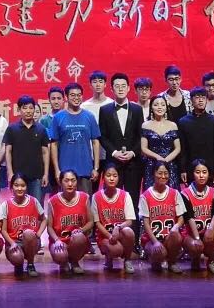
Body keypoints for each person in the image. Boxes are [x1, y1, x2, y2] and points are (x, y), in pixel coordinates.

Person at [98, 72, 144, 247]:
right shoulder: (105, 110)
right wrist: (114, 152)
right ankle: (112, 240)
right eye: (117, 86)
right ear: (111, 89)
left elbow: (141, 135)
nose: (120, 89)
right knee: (112, 203)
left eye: (123, 86)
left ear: (129, 88)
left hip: (133, 163)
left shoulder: (137, 109)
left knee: (133, 201)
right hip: (113, 164)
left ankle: (135, 242)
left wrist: (133, 152)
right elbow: (103, 136)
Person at [47, 83, 101, 194]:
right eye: (72, 95)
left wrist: (96, 168)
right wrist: (57, 170)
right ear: (66, 97)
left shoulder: (89, 116)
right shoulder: (58, 117)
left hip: (85, 170)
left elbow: (95, 142)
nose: (76, 98)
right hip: (65, 171)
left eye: (79, 95)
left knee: (85, 202)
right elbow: (54, 144)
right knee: (65, 203)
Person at [138, 162, 189, 273]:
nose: (163, 176)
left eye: (166, 173)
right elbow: (146, 223)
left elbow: (181, 218)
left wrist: (176, 227)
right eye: (160, 173)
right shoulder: (145, 196)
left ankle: (172, 262)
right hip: (152, 240)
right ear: (153, 174)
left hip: (169, 237)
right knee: (159, 253)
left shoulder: (175, 193)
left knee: (176, 235)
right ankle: (155, 260)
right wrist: (155, 242)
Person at [91, 162, 137, 274]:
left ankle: (127, 260)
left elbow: (129, 221)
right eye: (108, 175)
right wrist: (110, 236)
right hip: (104, 236)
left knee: (129, 232)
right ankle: (109, 258)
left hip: (120, 233)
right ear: (103, 178)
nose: (111, 178)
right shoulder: (96, 197)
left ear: (118, 178)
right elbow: (97, 223)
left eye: (115, 176)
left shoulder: (125, 195)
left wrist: (118, 227)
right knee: (116, 250)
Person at [1, 95, 48, 202]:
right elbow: (8, 151)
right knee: (19, 205)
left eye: (31, 108)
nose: (28, 111)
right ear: (19, 110)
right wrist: (10, 173)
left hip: (37, 176)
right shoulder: (12, 128)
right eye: (25, 108)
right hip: (18, 177)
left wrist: (45, 174)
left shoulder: (41, 129)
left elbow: (45, 152)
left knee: (36, 205)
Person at [46, 170, 92, 275]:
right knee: (60, 255)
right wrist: (57, 240)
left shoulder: (84, 197)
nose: (70, 184)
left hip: (77, 241)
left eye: (73, 180)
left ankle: (75, 262)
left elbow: (90, 222)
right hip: (60, 240)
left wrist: (81, 230)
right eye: (66, 181)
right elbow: (49, 227)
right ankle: (64, 262)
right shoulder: (53, 201)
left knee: (79, 237)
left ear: (77, 182)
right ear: (60, 182)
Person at [179, 160, 214, 273]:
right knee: (195, 246)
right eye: (198, 172)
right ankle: (195, 257)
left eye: (204, 172)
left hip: (208, 231)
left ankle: (211, 260)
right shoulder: (185, 193)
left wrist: (210, 229)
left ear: (209, 174)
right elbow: (189, 217)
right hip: (191, 234)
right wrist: (197, 238)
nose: (201, 175)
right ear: (192, 174)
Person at [177, 88, 214, 186]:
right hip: (190, 169)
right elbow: (182, 149)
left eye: (203, 97)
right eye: (197, 97)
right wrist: (183, 170)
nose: (201, 100)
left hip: (211, 169)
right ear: (191, 100)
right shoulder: (183, 122)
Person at [2, 174, 45, 277]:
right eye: (16, 185)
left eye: (23, 185)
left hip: (31, 241)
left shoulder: (34, 201)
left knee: (28, 233)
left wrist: (38, 234)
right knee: (17, 258)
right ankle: (18, 264)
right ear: (11, 187)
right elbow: (3, 230)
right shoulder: (6, 205)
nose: (20, 188)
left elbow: (44, 220)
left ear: (27, 187)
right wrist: (12, 243)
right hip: (14, 242)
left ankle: (30, 264)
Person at [141, 96, 180, 190]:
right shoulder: (145, 125)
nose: (159, 107)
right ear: (151, 107)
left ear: (166, 107)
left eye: (163, 105)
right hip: (152, 165)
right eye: (156, 105)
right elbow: (143, 148)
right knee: (151, 193)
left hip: (169, 165)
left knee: (171, 193)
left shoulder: (173, 125)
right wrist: (158, 158)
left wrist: (166, 160)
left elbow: (178, 148)